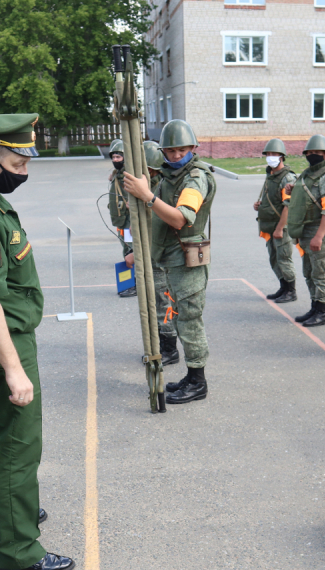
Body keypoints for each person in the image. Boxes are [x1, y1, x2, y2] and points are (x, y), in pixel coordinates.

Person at [0, 113, 75, 570]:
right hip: (0, 342)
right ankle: (20, 549)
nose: (23, 170)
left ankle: (2, 519)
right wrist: (13, 366)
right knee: (15, 444)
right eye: (17, 161)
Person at [123, 119, 215, 404]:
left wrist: (147, 196)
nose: (175, 155)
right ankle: (191, 375)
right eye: (170, 150)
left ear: (193, 147)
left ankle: (198, 381)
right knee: (178, 318)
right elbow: (158, 221)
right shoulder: (170, 177)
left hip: (187, 260)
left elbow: (178, 218)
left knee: (189, 320)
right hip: (169, 257)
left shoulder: (195, 178)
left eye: (181, 150)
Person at [285, 134, 325, 328]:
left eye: (317, 152)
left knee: (320, 273)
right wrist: (294, 190)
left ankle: (322, 311)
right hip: (305, 230)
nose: (312, 155)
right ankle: (314, 306)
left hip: (320, 231)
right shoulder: (307, 174)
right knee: (309, 272)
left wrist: (319, 236)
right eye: (309, 152)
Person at [143, 140, 179, 365]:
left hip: (161, 254)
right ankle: (160, 343)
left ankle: (169, 348)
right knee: (155, 301)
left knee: (163, 300)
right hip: (151, 251)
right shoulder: (149, 188)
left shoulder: (161, 189)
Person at [253, 138, 297, 304]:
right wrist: (260, 205)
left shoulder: (287, 178)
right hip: (269, 225)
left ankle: (291, 291)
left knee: (284, 258)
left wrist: (280, 228)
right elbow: (271, 198)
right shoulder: (271, 175)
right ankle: (283, 287)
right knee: (274, 258)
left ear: (282, 156)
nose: (270, 156)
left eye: (274, 154)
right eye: (268, 154)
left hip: (280, 227)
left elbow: (288, 205)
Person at [108, 139, 138, 298]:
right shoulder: (118, 174)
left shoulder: (129, 176)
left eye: (118, 157)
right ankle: (131, 283)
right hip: (121, 222)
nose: (115, 160)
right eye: (113, 157)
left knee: (132, 252)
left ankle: (136, 284)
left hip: (129, 223)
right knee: (127, 250)